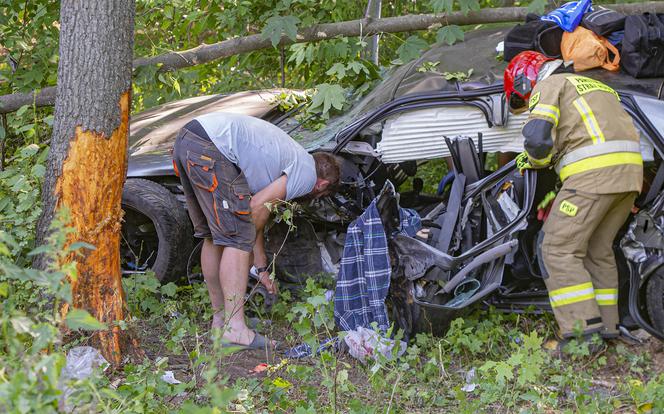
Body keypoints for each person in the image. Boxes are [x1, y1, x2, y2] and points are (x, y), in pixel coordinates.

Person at [504, 51, 643, 347]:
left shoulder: (549, 86)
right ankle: (608, 328)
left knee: (556, 249)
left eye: (522, 98)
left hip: (592, 176)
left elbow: (539, 139)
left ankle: (581, 335)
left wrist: (527, 162)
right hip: (629, 176)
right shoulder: (597, 86)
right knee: (598, 250)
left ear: (525, 80)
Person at [172, 112, 341, 349]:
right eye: (321, 195)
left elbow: (255, 213)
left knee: (215, 238)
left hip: (189, 139)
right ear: (322, 185)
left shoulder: (287, 160)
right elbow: (255, 211)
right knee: (236, 238)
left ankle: (221, 323)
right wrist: (253, 253)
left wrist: (261, 266)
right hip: (212, 147)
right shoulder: (307, 175)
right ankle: (235, 330)